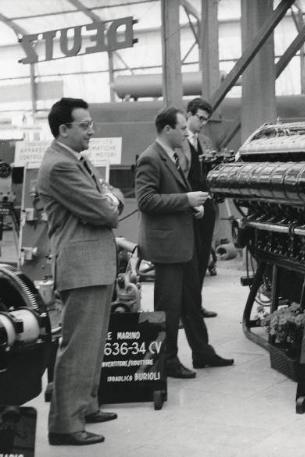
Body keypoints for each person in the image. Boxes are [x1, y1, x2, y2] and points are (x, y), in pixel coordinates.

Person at [37, 97, 123, 446]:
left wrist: (107, 197)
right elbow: (106, 211)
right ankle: (64, 425)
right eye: (84, 125)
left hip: (94, 265)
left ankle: (85, 405)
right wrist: (109, 200)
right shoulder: (60, 166)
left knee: (92, 344)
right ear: (64, 129)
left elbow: (107, 197)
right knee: (77, 347)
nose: (91, 130)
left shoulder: (74, 160)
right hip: (81, 266)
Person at [135, 107, 233, 379]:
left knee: (191, 300)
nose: (185, 132)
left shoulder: (173, 156)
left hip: (183, 242)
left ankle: (202, 352)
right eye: (180, 128)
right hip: (167, 247)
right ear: (167, 130)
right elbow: (146, 201)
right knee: (168, 307)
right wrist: (186, 201)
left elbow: (172, 193)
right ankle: (167, 361)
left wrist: (192, 208)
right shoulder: (150, 158)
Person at [182, 97, 218, 318]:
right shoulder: (177, 140)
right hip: (188, 206)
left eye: (206, 120)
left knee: (203, 256)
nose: (203, 123)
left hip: (207, 204)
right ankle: (184, 308)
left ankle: (196, 304)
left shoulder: (205, 141)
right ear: (189, 114)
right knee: (189, 258)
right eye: (200, 118)